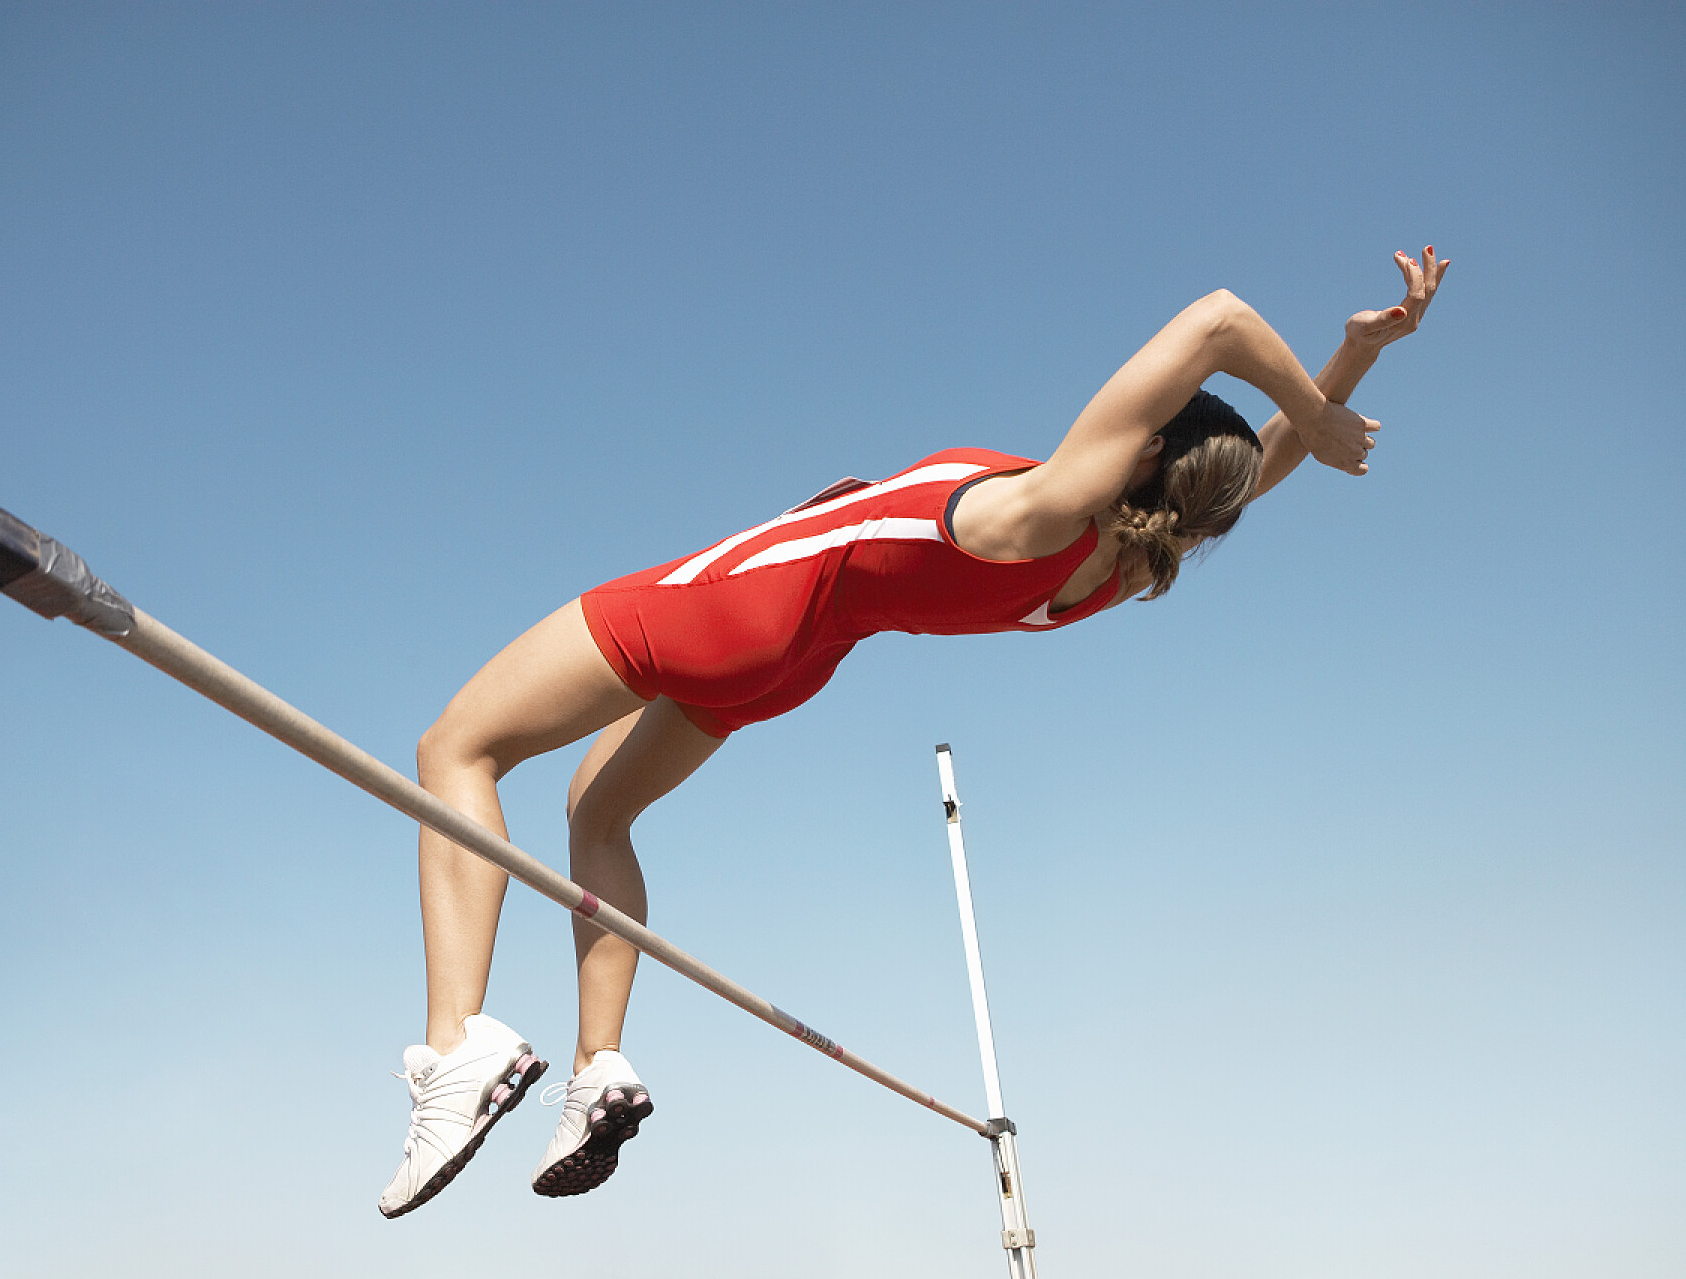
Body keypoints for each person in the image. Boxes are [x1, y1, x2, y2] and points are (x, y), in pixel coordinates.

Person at [377, 248, 1452, 1217]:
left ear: (1143, 450)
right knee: (597, 808)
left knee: (457, 747)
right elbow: (1260, 467)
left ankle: (454, 1046)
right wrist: (1353, 360)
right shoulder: (1113, 573)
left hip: (747, 600)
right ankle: (598, 1066)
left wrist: (1311, 409)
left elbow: (1218, 318)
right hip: (793, 662)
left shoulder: (1048, 507)